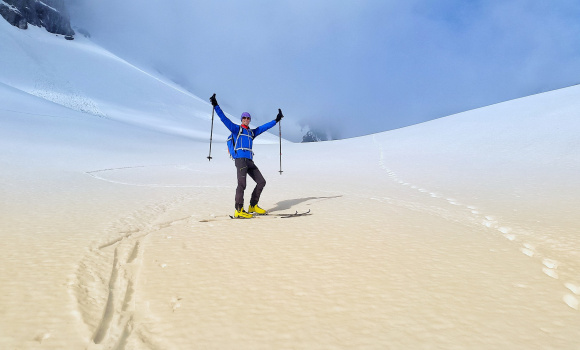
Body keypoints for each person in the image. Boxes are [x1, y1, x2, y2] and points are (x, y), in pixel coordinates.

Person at [210, 94, 284, 218]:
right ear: (241, 119)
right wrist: (215, 105)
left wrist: (276, 120)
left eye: (248, 118)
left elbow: (264, 127)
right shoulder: (236, 129)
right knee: (242, 184)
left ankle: (253, 205)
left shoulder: (251, 132)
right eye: (244, 117)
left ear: (250, 120)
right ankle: (238, 210)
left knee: (261, 182)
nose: (246, 119)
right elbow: (224, 118)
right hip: (240, 160)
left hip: (249, 161)